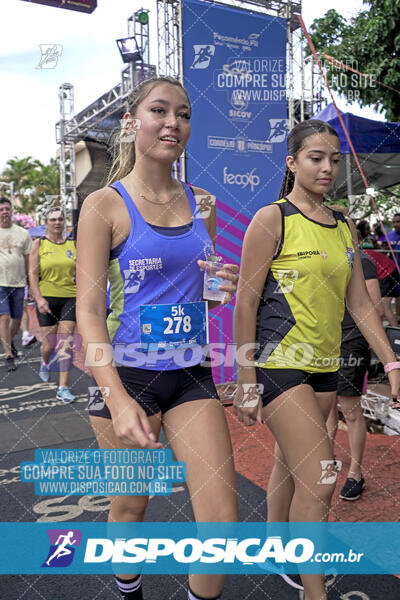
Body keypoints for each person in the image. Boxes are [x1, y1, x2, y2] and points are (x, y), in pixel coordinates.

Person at [76, 76, 239, 600]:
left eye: (184, 114)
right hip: (128, 377)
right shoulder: (104, 205)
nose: (173, 123)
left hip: (192, 374)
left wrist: (219, 289)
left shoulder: (202, 202)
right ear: (133, 121)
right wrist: (116, 398)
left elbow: (204, 293)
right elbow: (88, 311)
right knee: (131, 506)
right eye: (160, 110)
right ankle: (129, 591)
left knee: (222, 525)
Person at [233, 119, 400, 600]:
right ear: (292, 163)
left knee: (291, 460)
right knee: (323, 472)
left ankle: (275, 544)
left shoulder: (344, 223)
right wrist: (246, 380)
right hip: (280, 359)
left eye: (333, 158)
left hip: (328, 364)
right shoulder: (273, 219)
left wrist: (390, 361)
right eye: (315, 157)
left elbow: (360, 304)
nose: (326, 167)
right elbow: (245, 303)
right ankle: (313, 590)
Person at [326, 234, 384, 500]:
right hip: (323, 340)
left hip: (351, 341)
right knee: (324, 410)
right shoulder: (322, 258)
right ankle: (326, 464)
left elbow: (375, 309)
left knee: (349, 410)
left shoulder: (362, 260)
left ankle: (355, 474)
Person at [29, 207, 76, 403]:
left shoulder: (74, 244)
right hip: (47, 298)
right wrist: (39, 298)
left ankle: (63, 387)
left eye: (60, 219)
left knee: (66, 342)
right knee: (48, 344)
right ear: (46, 223)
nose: (57, 222)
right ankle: (45, 361)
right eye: (53, 219)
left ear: (64, 222)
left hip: (70, 297)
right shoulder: (39, 244)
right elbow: (32, 274)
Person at [0, 196, 32, 371]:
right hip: (0, 283)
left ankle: (9, 341)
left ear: (11, 211)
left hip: (19, 283)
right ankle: (8, 356)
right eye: (1, 209)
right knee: (3, 317)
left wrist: (31, 283)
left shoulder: (23, 233)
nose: (4, 212)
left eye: (7, 208)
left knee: (17, 320)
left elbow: (29, 260)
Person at [363, 246, 399, 327]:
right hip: (389, 271)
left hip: (388, 273)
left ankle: (396, 333)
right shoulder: (360, 254)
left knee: (384, 307)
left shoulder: (359, 257)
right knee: (381, 307)